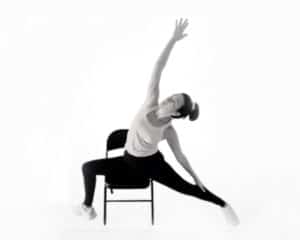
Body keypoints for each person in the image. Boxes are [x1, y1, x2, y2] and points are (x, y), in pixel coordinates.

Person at [74, 18, 240, 226]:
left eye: (174, 101)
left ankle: (223, 204)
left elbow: (181, 156)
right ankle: (87, 207)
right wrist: (173, 40)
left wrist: (195, 176)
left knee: (185, 187)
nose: (170, 98)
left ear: (177, 114)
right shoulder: (151, 101)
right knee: (87, 167)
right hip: (127, 161)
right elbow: (158, 66)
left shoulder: (168, 130)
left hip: (151, 166)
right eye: (173, 95)